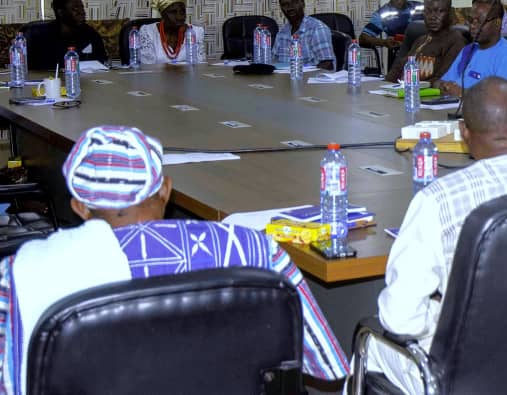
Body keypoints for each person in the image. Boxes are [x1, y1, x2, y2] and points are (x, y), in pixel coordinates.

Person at [0, 126, 349, 393]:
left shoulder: (22, 273)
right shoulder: (256, 251)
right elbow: (329, 367)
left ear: (79, 206)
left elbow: (13, 384)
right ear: (166, 189)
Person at [365, 78, 507, 393]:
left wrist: (439, 316)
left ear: (463, 132)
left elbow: (400, 319)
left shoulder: (440, 200)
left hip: (475, 375)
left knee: (372, 344)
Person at [437, 0, 507, 98]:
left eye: (480, 21)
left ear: (497, 23)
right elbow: (442, 81)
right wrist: (444, 86)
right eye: (471, 20)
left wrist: (462, 93)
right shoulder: (468, 50)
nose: (473, 26)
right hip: (451, 104)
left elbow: (503, 96)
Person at [384, 0, 465, 85]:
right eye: (428, 11)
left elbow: (443, 80)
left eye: (439, 11)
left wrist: (411, 86)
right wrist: (383, 85)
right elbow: (399, 68)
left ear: (450, 13)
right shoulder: (420, 40)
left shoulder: (455, 41)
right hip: (403, 90)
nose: (432, 17)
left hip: (425, 92)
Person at [25, 0, 107, 70]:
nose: (82, 12)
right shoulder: (40, 36)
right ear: (61, 13)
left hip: (82, 78)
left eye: (82, 7)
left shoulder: (90, 33)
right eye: (75, 9)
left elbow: (102, 62)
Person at [272, 0, 335, 71]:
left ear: (303, 4)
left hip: (309, 78)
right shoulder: (282, 33)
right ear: (281, 8)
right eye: (285, 4)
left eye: (294, 2)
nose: (290, 7)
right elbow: (273, 61)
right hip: (284, 77)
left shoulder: (317, 28)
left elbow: (328, 65)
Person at [137, 0, 206, 64]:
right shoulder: (148, 32)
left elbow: (200, 64)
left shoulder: (196, 32)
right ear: (162, 14)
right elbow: (147, 65)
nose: (179, 17)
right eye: (173, 12)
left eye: (182, 12)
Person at [359, 0, 423, 50]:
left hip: (423, 49)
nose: (400, 2)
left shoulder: (419, 7)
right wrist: (384, 42)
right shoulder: (382, 14)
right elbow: (363, 38)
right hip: (399, 52)